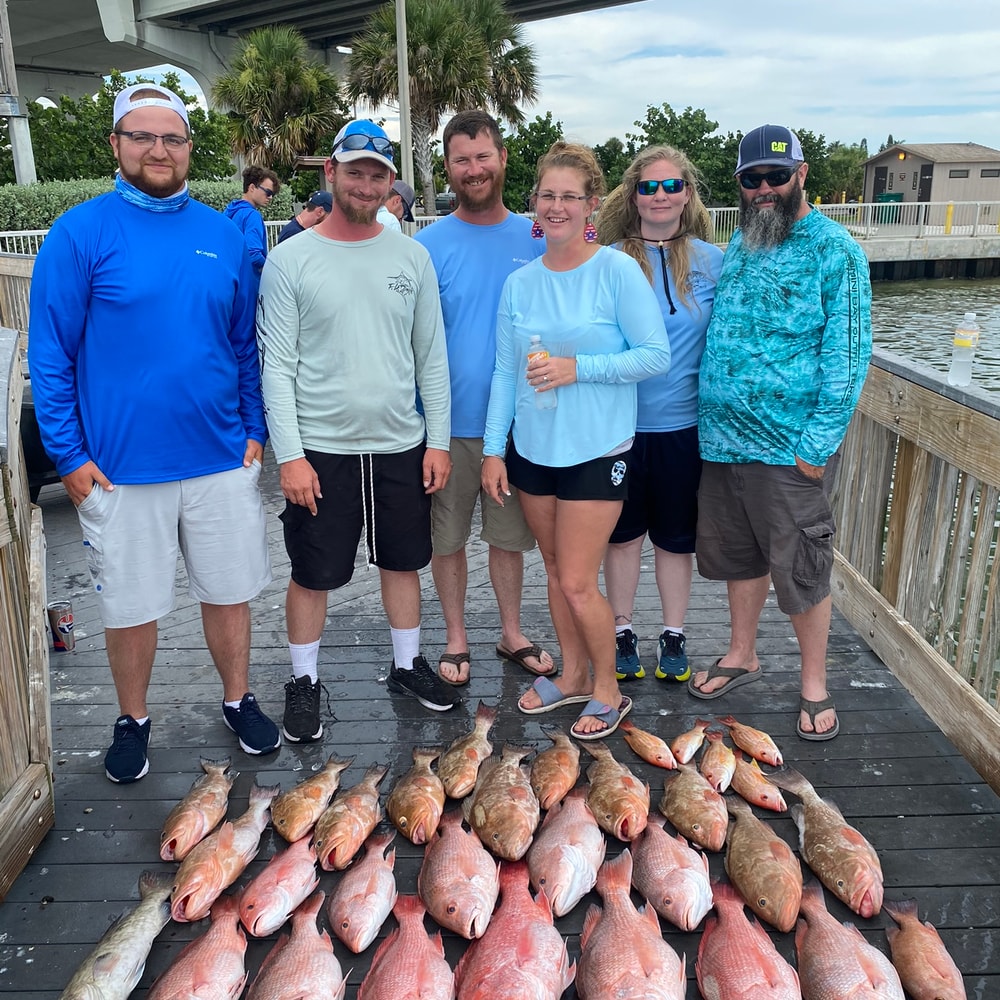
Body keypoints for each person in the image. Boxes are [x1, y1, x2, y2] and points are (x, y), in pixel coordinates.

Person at [27, 83, 279, 783]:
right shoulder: (79, 232)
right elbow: (51, 355)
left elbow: (241, 345)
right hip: (116, 467)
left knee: (228, 591)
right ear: (115, 144)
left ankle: (238, 699)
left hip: (219, 457)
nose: (157, 149)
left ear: (189, 149)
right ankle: (133, 719)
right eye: (141, 136)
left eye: (171, 138)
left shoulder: (221, 234)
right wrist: (68, 456)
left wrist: (254, 431)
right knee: (131, 605)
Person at [258, 118, 456, 742]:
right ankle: (304, 679)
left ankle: (406, 666)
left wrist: (441, 441)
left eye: (378, 174)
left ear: (390, 182)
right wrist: (290, 456)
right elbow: (277, 365)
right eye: (355, 171)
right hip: (320, 449)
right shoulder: (290, 259)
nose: (365, 184)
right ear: (331, 174)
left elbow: (432, 358)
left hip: (400, 441)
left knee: (404, 561)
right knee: (313, 571)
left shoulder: (411, 256)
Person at [481, 142, 671, 740]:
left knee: (575, 581)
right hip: (534, 452)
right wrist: (493, 449)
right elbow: (505, 373)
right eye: (547, 195)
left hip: (598, 449)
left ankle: (608, 691)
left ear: (591, 205)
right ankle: (571, 676)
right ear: (534, 204)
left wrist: (577, 367)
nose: (557, 206)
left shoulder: (616, 270)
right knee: (557, 568)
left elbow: (655, 356)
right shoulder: (520, 283)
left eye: (570, 197)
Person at [690, 124, 872, 741]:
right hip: (722, 443)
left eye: (775, 176)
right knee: (741, 559)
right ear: (740, 185)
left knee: (801, 569)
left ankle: (814, 683)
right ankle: (742, 651)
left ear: (801, 174)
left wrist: (816, 447)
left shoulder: (835, 250)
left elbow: (848, 355)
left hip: (789, 450)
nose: (764, 188)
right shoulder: (741, 241)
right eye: (751, 179)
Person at [414, 109, 550, 688]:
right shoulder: (423, 245)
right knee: (446, 538)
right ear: (447, 167)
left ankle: (511, 630)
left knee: (508, 537)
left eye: (482, 156)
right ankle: (455, 636)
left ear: (502, 158)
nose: (473, 169)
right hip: (446, 427)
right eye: (461, 159)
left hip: (520, 426)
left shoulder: (538, 234)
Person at [596, 146, 723, 685]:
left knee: (675, 539)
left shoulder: (714, 261)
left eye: (672, 186)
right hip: (618, 428)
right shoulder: (608, 261)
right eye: (649, 187)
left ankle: (673, 634)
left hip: (683, 428)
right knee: (622, 537)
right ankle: (622, 631)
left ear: (687, 194)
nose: (661, 196)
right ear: (633, 196)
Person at [224, 165, 280, 275]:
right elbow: (253, 253)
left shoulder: (230, 211)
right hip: (247, 283)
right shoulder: (252, 215)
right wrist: (273, 271)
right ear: (252, 188)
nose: (270, 197)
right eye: (268, 192)